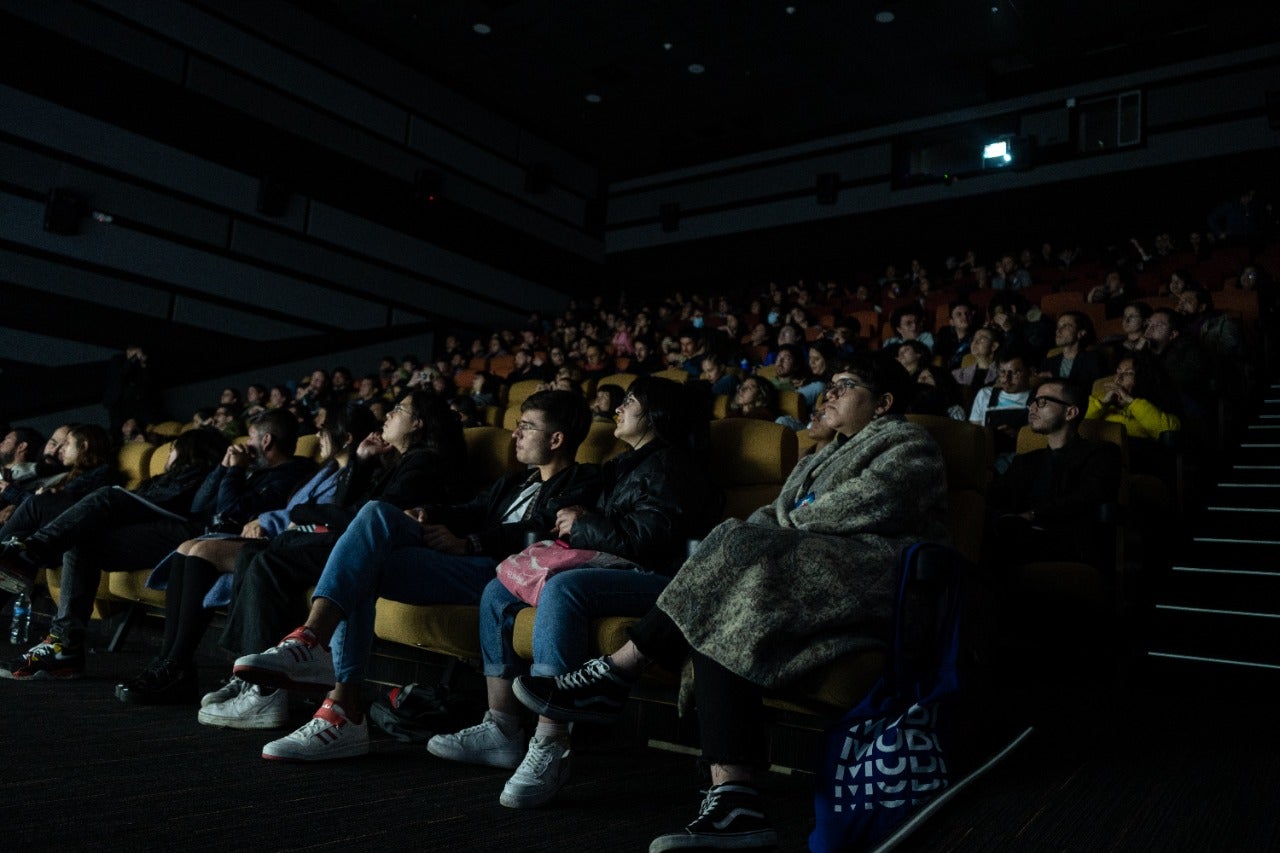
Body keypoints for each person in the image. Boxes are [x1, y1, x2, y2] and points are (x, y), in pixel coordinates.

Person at [507, 356, 947, 848]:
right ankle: (736, 800)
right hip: (799, 573)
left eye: (845, 385)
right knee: (725, 608)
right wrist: (753, 538)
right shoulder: (817, 458)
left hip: (865, 574)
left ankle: (615, 672)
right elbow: (771, 515)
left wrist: (767, 536)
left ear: (883, 403)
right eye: (830, 385)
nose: (830, 393)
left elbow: (872, 501)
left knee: (731, 557)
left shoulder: (908, 442)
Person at [227, 390, 601, 753]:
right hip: (469, 563)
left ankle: (318, 657)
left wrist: (470, 543)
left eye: (527, 426)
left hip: (505, 575)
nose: (515, 433)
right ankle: (338, 703)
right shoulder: (515, 481)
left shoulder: (583, 479)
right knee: (373, 531)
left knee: (371, 534)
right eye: (517, 424)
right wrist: (429, 513)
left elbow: (541, 530)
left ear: (556, 439)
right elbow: (472, 509)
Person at [426, 377, 718, 809]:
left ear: (656, 414)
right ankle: (502, 727)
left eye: (630, 401)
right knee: (498, 590)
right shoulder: (625, 465)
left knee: (564, 588)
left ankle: (551, 740)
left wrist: (583, 523)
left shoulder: (671, 465)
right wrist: (581, 517)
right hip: (619, 567)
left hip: (662, 579)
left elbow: (647, 541)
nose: (618, 408)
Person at [211, 391, 465, 702]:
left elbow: (366, 518)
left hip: (384, 553)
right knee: (251, 553)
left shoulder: (424, 462)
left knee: (269, 562)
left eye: (398, 409)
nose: (388, 414)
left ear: (418, 424)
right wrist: (361, 460)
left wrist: (300, 512)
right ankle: (246, 675)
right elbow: (348, 505)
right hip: (359, 543)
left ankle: (265, 692)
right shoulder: (395, 461)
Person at [112, 406, 375, 704]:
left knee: (200, 551)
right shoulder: (320, 471)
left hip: (289, 543)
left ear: (346, 437)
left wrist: (255, 501)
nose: (316, 435)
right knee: (187, 549)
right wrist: (227, 469)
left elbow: (317, 516)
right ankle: (170, 660)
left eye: (323, 429)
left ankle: (178, 665)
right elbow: (209, 506)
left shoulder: (318, 472)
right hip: (277, 539)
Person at [0, 428, 231, 679]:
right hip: (154, 524)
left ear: (189, 450)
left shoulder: (200, 473)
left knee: (106, 497)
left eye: (173, 448)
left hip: (181, 528)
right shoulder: (173, 477)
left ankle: (26, 554)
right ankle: (64, 645)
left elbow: (187, 507)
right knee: (72, 527)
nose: (168, 454)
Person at [986, 380, 1123, 569]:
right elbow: (994, 496)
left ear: (1070, 412)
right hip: (1019, 541)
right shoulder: (1025, 461)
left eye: (1042, 402)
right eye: (1033, 402)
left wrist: (1033, 514)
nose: (1032, 407)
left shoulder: (1101, 453)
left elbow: (1088, 496)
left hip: (1071, 544)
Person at [1040, 311, 1104, 389]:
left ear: (1081, 333)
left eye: (1066, 326)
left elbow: (1091, 389)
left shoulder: (1092, 359)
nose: (1058, 331)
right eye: (1058, 326)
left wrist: (1056, 378)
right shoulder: (1049, 362)